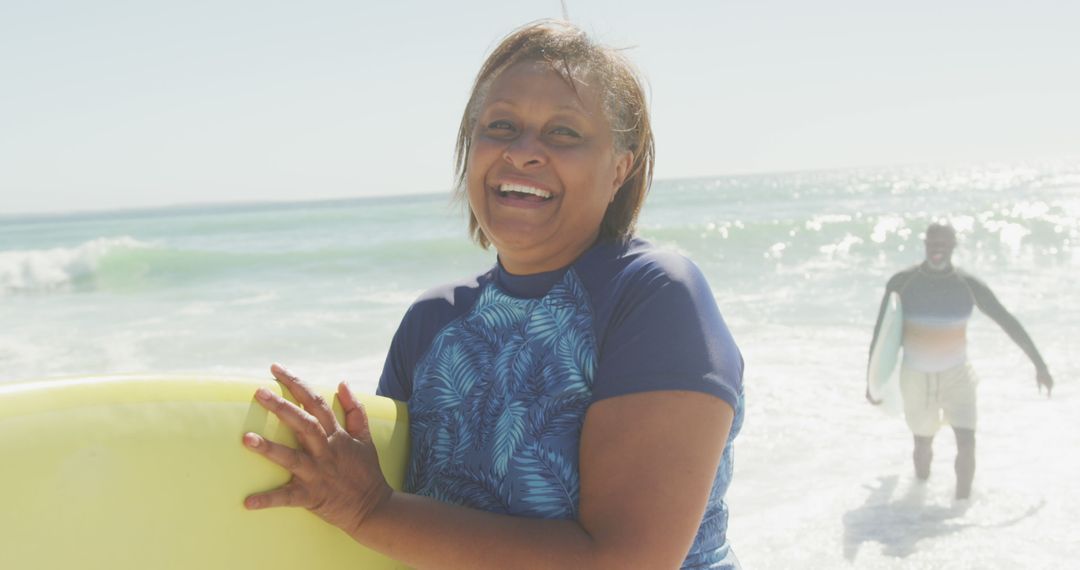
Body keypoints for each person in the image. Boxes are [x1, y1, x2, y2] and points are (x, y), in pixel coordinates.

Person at [242, 20, 745, 569]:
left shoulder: (652, 295)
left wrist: (369, 510)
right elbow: (393, 536)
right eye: (501, 126)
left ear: (619, 170)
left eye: (564, 133)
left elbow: (627, 561)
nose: (523, 152)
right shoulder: (431, 323)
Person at [867, 222, 1053, 499]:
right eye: (932, 244)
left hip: (957, 374)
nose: (936, 249)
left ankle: (960, 506)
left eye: (942, 244)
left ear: (953, 246)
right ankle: (916, 500)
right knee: (922, 445)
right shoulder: (902, 282)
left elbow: (1007, 322)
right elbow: (882, 334)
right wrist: (873, 381)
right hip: (916, 376)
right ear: (925, 245)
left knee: (967, 442)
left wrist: (1039, 365)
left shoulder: (969, 285)